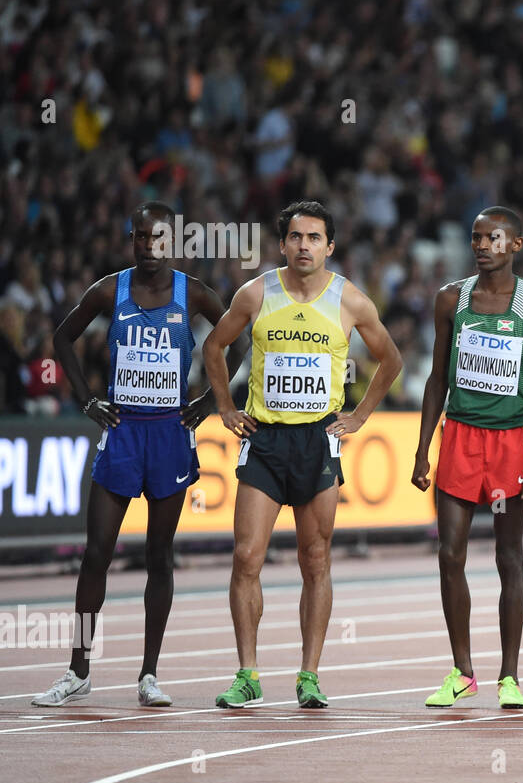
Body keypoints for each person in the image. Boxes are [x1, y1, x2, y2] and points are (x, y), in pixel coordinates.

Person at [34, 201, 244, 707]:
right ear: (132, 241)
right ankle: (77, 670)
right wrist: (85, 398)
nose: (150, 248)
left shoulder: (192, 293)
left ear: (174, 243)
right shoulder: (112, 288)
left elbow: (238, 340)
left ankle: (149, 675)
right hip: (123, 432)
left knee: (159, 556)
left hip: (170, 435)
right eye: (141, 239)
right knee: (95, 554)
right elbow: (62, 338)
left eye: (159, 240)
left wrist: (209, 401)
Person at [202, 200, 401, 708]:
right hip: (265, 439)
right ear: (283, 243)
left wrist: (358, 417)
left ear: (329, 247)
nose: (303, 246)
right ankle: (247, 673)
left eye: (314, 238)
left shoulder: (350, 300)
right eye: (295, 237)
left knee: (315, 559)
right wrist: (225, 406)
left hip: (317, 442)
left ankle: (309, 675)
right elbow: (214, 346)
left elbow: (391, 359)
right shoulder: (256, 293)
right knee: (246, 556)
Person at [411, 207, 523, 710]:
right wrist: (422, 445)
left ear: (515, 244)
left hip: (512, 442)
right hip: (460, 438)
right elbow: (437, 377)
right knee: (450, 554)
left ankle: (509, 676)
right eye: (475, 237)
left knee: (507, 556)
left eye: (492, 237)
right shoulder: (451, 298)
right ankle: (462, 670)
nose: (480, 244)